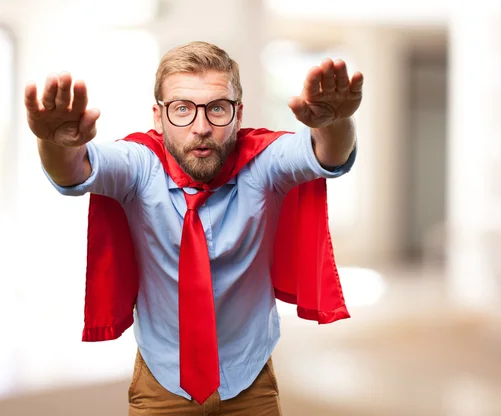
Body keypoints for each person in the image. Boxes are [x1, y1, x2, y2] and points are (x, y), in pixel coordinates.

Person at [24, 41, 362, 416]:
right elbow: (75, 171)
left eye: (217, 108)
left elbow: (326, 155)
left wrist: (335, 124)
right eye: (182, 109)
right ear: (158, 116)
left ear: (237, 114)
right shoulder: (139, 166)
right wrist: (53, 145)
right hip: (163, 381)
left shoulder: (264, 164)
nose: (201, 128)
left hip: (250, 381)